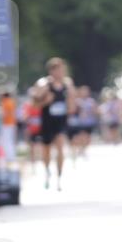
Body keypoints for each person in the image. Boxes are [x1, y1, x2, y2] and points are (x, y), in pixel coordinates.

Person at [32, 58, 76, 191]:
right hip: (47, 121)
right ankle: (47, 171)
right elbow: (35, 104)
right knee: (46, 151)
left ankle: (59, 177)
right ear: (51, 71)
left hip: (61, 121)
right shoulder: (43, 84)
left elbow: (72, 104)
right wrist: (46, 100)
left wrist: (70, 107)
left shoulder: (67, 84)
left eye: (62, 69)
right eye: (57, 69)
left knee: (61, 147)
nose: (60, 72)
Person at [0, 89, 17, 161]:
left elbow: (5, 114)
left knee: (7, 141)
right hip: (11, 123)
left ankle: (9, 156)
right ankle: (10, 156)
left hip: (7, 124)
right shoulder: (11, 102)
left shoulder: (6, 103)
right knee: (9, 140)